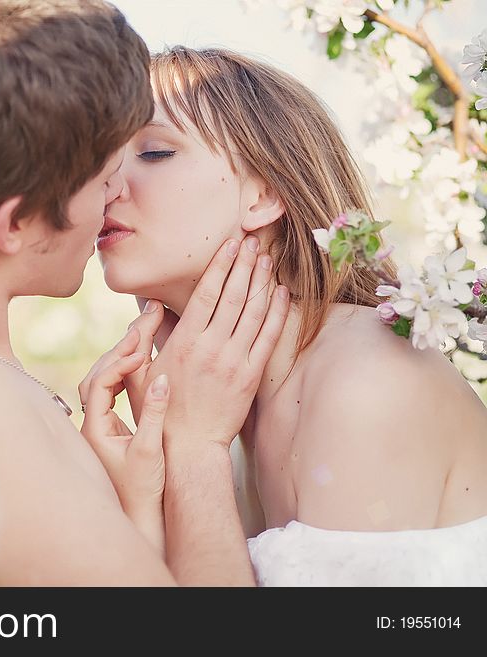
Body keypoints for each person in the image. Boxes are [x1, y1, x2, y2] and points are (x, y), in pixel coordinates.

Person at [0, 1, 289, 585]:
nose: (116, 193)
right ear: (14, 224)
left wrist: (137, 506)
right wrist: (195, 449)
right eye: (104, 174)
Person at [89, 45, 487, 585]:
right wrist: (149, 491)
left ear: (265, 194)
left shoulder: (368, 380)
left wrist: (194, 455)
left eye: (154, 153)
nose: (106, 186)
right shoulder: (220, 403)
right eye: (100, 161)